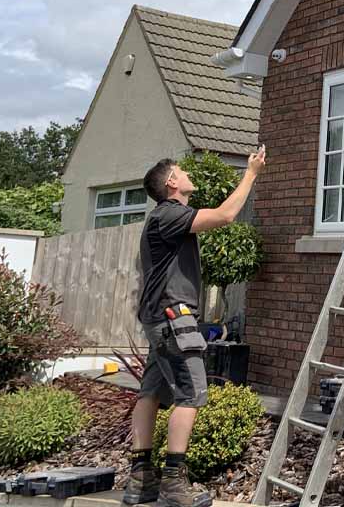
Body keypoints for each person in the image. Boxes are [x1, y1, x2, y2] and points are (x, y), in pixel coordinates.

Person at [123, 146, 266, 507]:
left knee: (151, 391)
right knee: (191, 393)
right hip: (173, 318)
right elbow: (225, 215)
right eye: (182, 171)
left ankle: (140, 479)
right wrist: (250, 173)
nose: (188, 174)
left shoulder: (165, 218)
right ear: (172, 182)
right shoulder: (168, 214)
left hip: (160, 317)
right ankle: (174, 483)